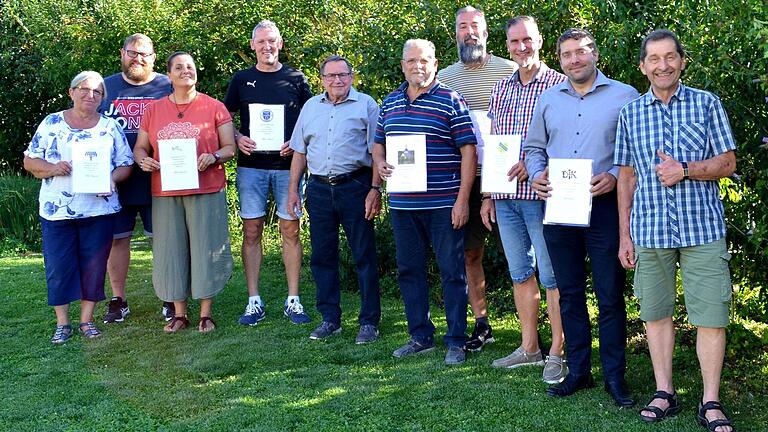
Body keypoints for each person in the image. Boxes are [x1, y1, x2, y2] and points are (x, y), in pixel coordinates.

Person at [615, 29, 736, 432]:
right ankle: (664, 392)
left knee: (711, 316)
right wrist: (624, 235)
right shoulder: (631, 113)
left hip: (702, 229)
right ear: (643, 66)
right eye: (654, 58)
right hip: (648, 230)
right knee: (655, 314)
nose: (663, 65)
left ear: (682, 61)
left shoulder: (706, 104)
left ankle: (711, 400)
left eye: (670, 57)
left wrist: (684, 170)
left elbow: (727, 163)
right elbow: (626, 177)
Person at [524, 28, 639, 406]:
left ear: (595, 54)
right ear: (559, 59)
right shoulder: (547, 99)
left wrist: (613, 175)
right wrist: (537, 173)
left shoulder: (625, 95)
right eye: (567, 54)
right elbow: (533, 147)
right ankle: (578, 371)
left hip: (604, 207)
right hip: (558, 206)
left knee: (609, 295)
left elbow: (637, 152)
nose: (574, 59)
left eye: (581, 52)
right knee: (569, 293)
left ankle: (614, 377)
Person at [373, 39, 477, 365]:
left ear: (434, 63)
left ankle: (457, 340)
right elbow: (378, 144)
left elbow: (469, 152)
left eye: (424, 60)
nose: (417, 66)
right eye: (411, 61)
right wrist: (379, 164)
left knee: (452, 272)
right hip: (404, 206)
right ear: (402, 65)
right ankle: (420, 336)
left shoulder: (451, 100)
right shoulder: (389, 103)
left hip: (445, 203)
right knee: (409, 271)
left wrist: (463, 200)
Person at [481, 16, 568, 384]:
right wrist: (487, 194)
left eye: (527, 40)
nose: (521, 47)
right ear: (507, 45)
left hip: (542, 194)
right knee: (520, 273)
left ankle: (557, 353)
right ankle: (529, 347)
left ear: (540, 41)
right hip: (506, 197)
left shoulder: (559, 85)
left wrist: (532, 160)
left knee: (552, 276)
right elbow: (492, 144)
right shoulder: (501, 88)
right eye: (515, 41)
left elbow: (569, 138)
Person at [23, 71, 133, 343]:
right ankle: (62, 323)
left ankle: (86, 320)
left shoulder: (110, 127)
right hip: (57, 210)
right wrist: (52, 168)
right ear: (71, 92)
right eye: (84, 89)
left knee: (93, 268)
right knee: (59, 268)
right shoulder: (51, 123)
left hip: (99, 211)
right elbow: (29, 161)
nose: (90, 95)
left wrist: (111, 179)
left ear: (102, 98)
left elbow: (126, 164)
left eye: (97, 92)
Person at [133, 52, 236, 333]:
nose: (185, 71)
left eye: (190, 67)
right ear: (169, 75)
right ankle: (179, 313)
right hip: (165, 190)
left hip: (206, 188)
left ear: (196, 73)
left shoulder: (214, 107)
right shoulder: (153, 110)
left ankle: (205, 313)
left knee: (206, 246)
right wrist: (143, 159)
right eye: (178, 67)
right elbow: (141, 147)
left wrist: (214, 157)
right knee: (170, 249)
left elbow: (230, 148)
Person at [436, 5, 518, 351]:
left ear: (486, 32)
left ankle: (531, 327)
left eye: (475, 26)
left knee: (520, 254)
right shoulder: (445, 78)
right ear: (455, 34)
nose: (469, 32)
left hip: (509, 179)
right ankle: (482, 323)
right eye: (462, 27)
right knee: (471, 255)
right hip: (465, 181)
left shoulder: (509, 70)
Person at [287, 55, 382, 343]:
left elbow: (378, 151)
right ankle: (330, 319)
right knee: (322, 256)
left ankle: (369, 322)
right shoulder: (310, 107)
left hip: (355, 185)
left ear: (352, 77)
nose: (337, 80)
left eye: (343, 75)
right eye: (330, 76)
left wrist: (375, 189)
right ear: (322, 79)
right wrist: (293, 189)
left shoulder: (366, 105)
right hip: (317, 188)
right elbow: (299, 151)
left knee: (363, 255)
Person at [224, 20, 313, 326]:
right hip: (251, 169)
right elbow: (224, 118)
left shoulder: (296, 78)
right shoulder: (241, 79)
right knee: (251, 231)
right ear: (252, 46)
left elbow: (310, 119)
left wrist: (297, 141)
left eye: (271, 41)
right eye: (261, 42)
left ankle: (293, 299)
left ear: (280, 43)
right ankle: (254, 300)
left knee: (291, 230)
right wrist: (236, 138)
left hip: (289, 168)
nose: (266, 47)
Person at [99, 33, 173, 324]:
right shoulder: (105, 87)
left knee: (164, 240)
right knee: (118, 241)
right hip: (117, 180)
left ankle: (170, 296)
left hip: (159, 176)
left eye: (144, 54)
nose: (138, 58)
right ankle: (119, 300)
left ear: (154, 57)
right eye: (132, 52)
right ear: (122, 53)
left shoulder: (167, 86)